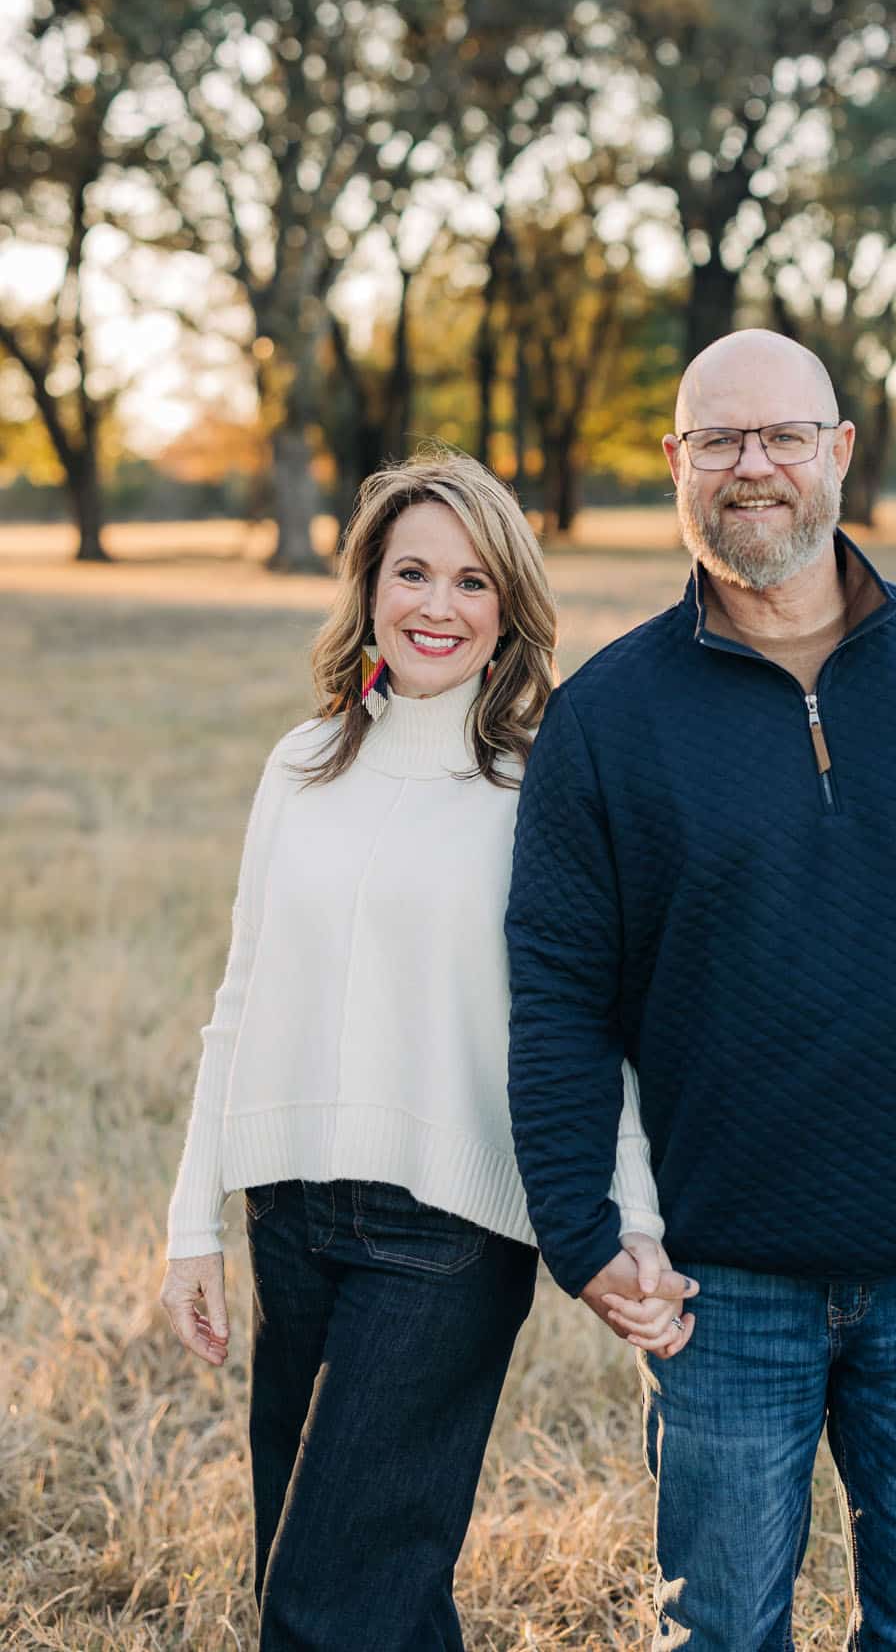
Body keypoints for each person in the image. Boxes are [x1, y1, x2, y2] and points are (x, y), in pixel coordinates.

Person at [505, 332, 896, 1650]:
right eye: (718, 441)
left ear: (839, 452)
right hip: (721, 1280)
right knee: (718, 1629)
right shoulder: (608, 718)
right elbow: (556, 991)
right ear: (676, 466)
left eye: (783, 436)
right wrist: (584, 1229)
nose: (753, 467)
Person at [160, 454, 695, 1652]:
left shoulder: (539, 786)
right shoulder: (300, 766)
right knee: (348, 1592)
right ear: (369, 587)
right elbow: (239, 996)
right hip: (288, 1217)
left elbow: (592, 1027)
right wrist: (193, 1224)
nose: (436, 606)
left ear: (509, 609)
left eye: (470, 580)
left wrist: (636, 1218)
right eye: (411, 572)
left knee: (322, 1607)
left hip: (448, 1235)